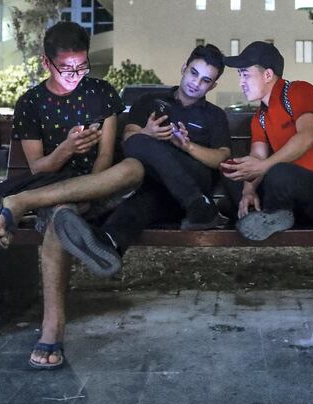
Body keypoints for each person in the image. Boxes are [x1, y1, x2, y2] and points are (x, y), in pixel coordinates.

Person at [0, 21, 144, 370]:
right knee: (60, 219)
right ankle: (52, 326)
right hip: (52, 192)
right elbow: (38, 169)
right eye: (67, 68)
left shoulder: (101, 93)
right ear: (47, 63)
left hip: (99, 186)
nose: (76, 74)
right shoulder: (30, 104)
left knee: (133, 167)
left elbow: (106, 157)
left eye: (82, 66)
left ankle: (19, 205)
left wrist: (88, 192)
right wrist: (65, 150)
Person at [50, 44, 232, 271]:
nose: (196, 83)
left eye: (205, 80)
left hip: (195, 180)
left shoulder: (214, 115)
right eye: (194, 73)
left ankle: (200, 204)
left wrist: (187, 147)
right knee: (146, 193)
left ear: (212, 85)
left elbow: (221, 159)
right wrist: (149, 133)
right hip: (161, 190)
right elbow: (129, 139)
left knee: (142, 149)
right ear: (184, 68)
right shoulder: (151, 101)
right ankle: (110, 244)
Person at [220, 41, 313, 240]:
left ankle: (265, 214)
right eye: (239, 75)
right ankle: (266, 213)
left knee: (279, 171)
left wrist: (264, 167)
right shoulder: (260, 117)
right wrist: (248, 189)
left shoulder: (298, 91)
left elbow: (307, 137)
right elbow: (257, 157)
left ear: (267, 75)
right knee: (230, 172)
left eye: (245, 74)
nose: (241, 82)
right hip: (297, 201)